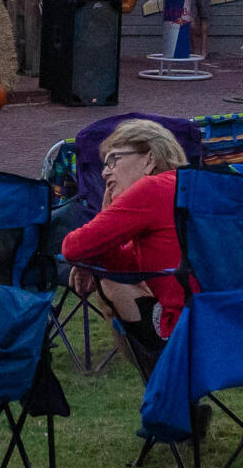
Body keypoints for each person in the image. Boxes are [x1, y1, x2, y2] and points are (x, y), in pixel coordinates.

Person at [59, 119, 191, 371]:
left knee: (107, 281)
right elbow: (123, 264)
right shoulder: (195, 188)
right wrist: (94, 258)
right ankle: (176, 401)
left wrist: (103, 216)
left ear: (149, 159)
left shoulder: (152, 189)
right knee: (110, 275)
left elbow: (72, 248)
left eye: (113, 160)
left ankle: (169, 397)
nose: (104, 172)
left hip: (187, 333)